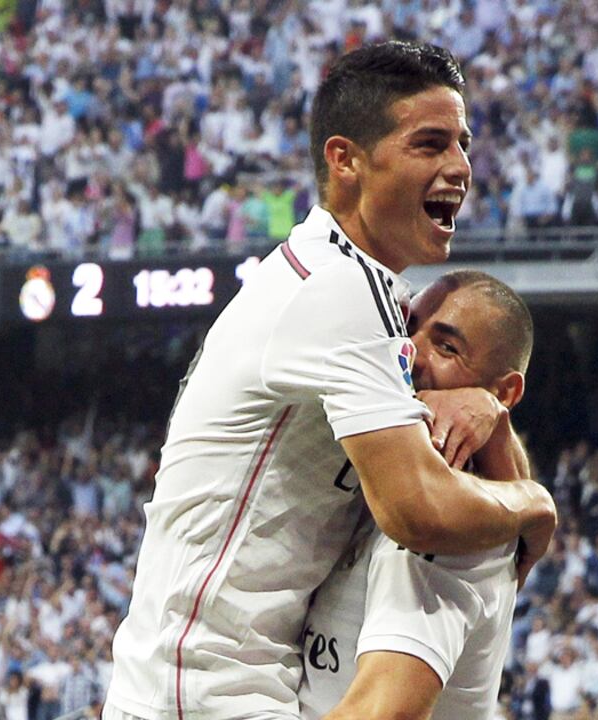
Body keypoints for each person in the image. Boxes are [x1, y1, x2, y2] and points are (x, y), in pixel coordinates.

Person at [104, 41, 556, 720]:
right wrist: (533, 504)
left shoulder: (366, 299)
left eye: (462, 144)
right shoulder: (338, 292)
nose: (460, 167)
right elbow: (418, 511)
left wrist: (486, 411)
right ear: (345, 160)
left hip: (228, 684)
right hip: (204, 694)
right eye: (430, 144)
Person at [298, 270, 534, 719]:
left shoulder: (452, 527)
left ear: (504, 391)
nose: (410, 354)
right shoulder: (396, 474)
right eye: (407, 331)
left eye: (447, 347)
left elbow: (382, 713)